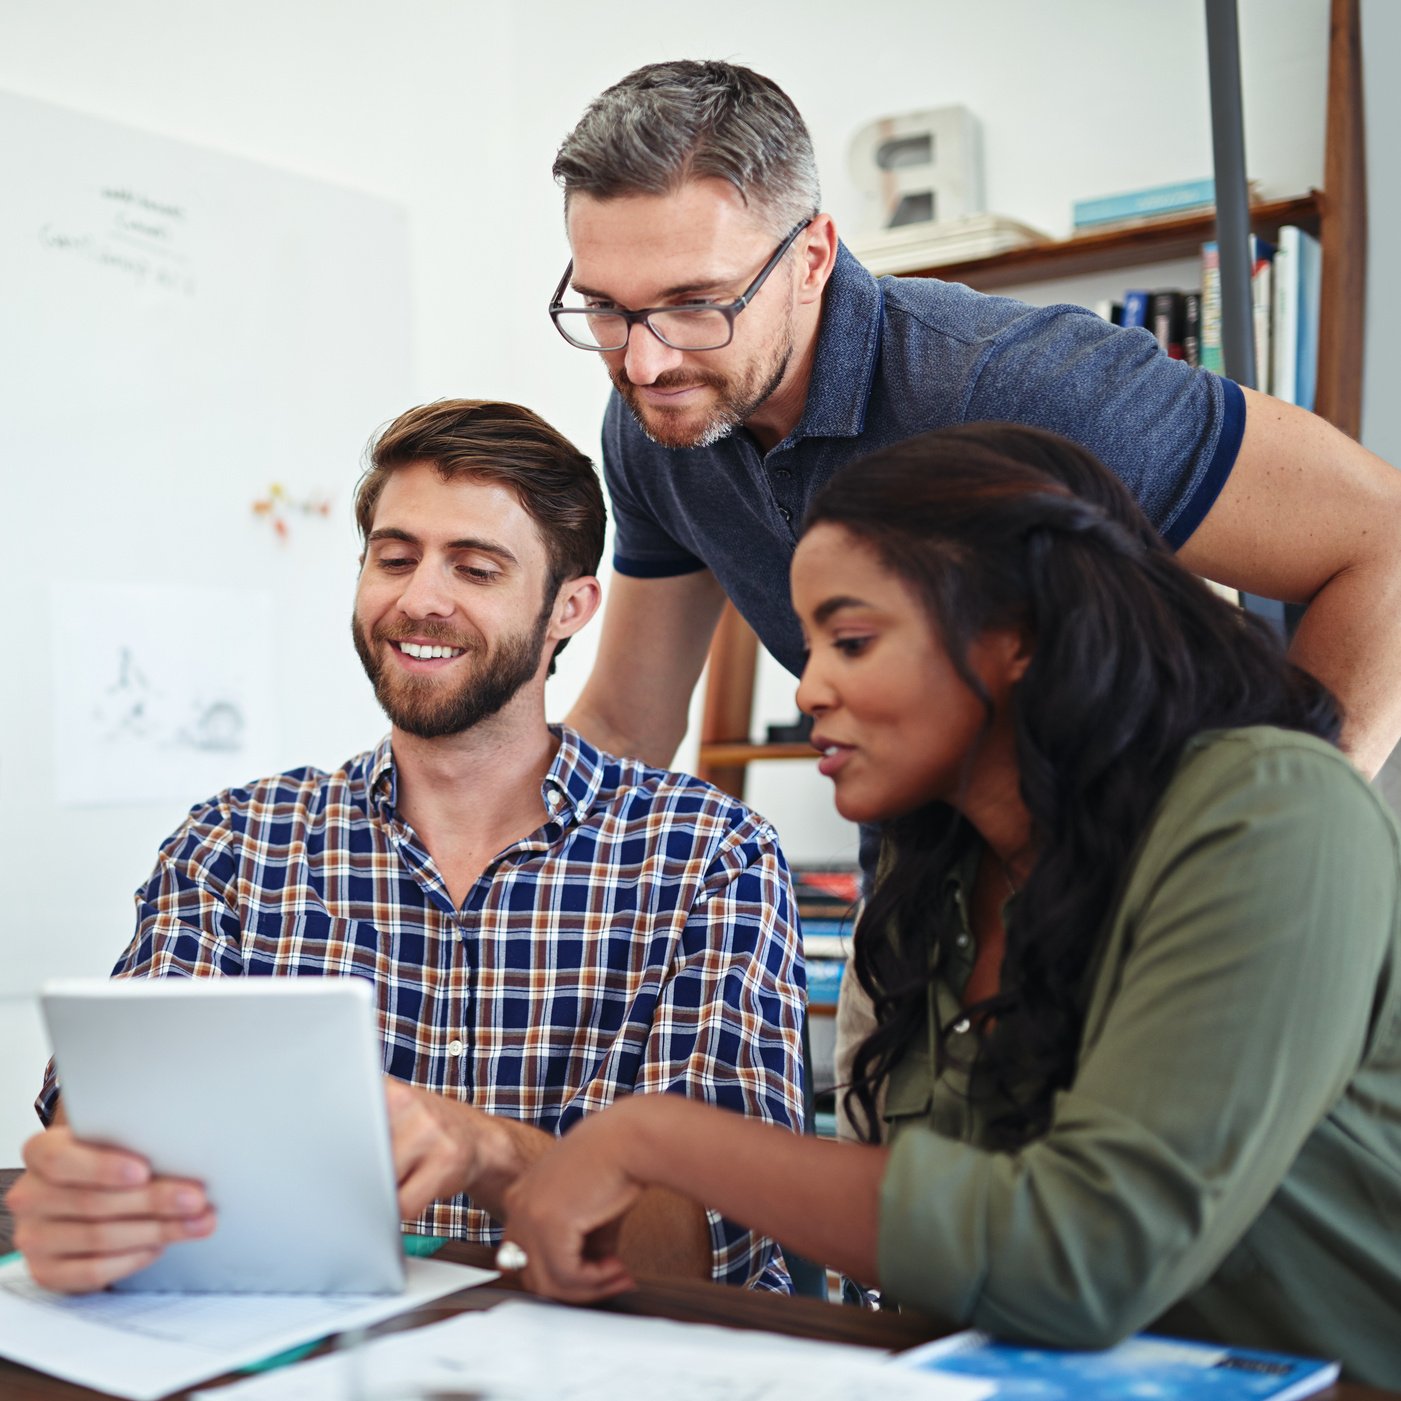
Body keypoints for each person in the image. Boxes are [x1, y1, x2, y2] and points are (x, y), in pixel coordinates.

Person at [500, 423, 1401, 1388]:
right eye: (810, 648)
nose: (810, 689)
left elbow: (1077, 1259)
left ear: (1015, 632)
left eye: (851, 639)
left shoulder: (1270, 811)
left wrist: (652, 1133)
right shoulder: (935, 871)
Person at [6, 399, 804, 1295]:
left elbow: (713, 1246)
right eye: (394, 558)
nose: (420, 599)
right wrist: (89, 1190)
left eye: (475, 567)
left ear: (568, 609)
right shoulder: (231, 844)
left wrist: (487, 1149)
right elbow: (105, 1115)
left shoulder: (707, 855)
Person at [551, 59, 1401, 781]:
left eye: (696, 304)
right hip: (922, 892)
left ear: (810, 259)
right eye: (604, 309)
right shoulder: (657, 420)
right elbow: (628, 724)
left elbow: (1385, 534)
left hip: (1141, 884)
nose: (643, 362)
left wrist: (1285, 832)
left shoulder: (1006, 382)